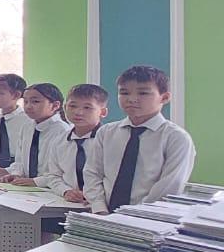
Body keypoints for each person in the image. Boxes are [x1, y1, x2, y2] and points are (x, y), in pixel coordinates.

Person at [83, 65, 196, 213]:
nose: (131, 99)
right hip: (102, 216)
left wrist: (134, 216)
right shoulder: (106, 132)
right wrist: (99, 208)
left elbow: (169, 187)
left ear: (164, 97)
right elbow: (92, 173)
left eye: (143, 93)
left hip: (150, 219)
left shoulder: (176, 138)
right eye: (124, 92)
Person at [36, 83, 108, 204]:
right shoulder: (59, 141)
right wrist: (66, 191)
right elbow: (53, 176)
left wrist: (95, 197)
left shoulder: (109, 140)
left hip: (104, 203)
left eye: (87, 107)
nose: (78, 112)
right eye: (73, 106)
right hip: (68, 203)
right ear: (65, 108)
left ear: (103, 112)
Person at [2, 83, 70, 185]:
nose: (28, 106)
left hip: (50, 188)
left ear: (55, 105)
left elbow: (62, 172)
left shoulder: (63, 131)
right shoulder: (27, 127)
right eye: (25, 101)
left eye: (35, 101)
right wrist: (16, 174)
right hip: (27, 187)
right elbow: (20, 160)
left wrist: (35, 181)